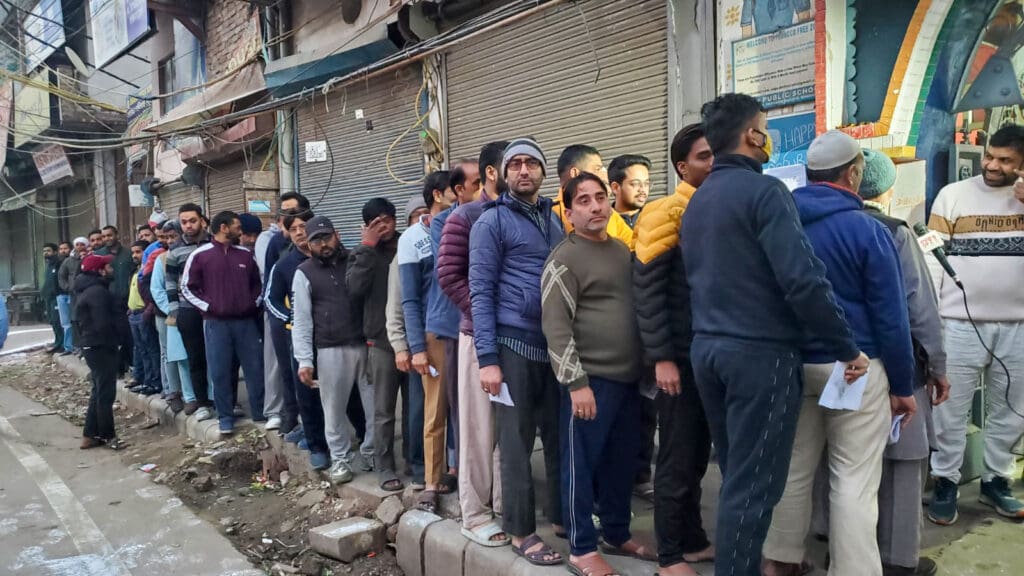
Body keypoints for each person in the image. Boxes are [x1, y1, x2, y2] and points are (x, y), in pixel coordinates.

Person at [680, 94, 868, 576]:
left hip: (709, 352)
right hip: (759, 355)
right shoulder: (766, 194)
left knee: (737, 480)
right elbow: (803, 279)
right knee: (755, 488)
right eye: (766, 129)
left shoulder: (700, 200)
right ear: (752, 136)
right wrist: (847, 347)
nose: (771, 139)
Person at [762, 131, 917, 576]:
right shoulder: (867, 229)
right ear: (853, 174)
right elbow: (892, 317)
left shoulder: (780, 225)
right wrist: (903, 387)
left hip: (793, 365)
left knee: (792, 470)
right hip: (857, 367)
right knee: (853, 480)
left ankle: (780, 562)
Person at [542, 171, 648, 575]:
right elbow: (556, 326)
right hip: (589, 383)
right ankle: (581, 546)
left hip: (626, 380)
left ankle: (617, 531)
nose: (595, 206)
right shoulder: (564, 259)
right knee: (579, 466)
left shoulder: (622, 251)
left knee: (621, 462)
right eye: (583, 201)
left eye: (599, 197)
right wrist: (576, 383)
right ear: (568, 213)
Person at [469, 138, 565, 565]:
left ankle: (562, 516)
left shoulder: (554, 219)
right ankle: (521, 531)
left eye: (531, 164)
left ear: (543, 173)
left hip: (555, 345)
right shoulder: (491, 223)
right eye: (516, 165)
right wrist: (487, 360)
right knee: (516, 442)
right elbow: (480, 292)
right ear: (503, 175)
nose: (523, 171)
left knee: (559, 438)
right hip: (512, 344)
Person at [856, 149, 949, 576]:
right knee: (905, 460)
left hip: (830, 366)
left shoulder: (805, 227)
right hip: (894, 364)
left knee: (840, 462)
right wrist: (937, 366)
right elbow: (919, 309)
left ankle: (839, 546)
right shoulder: (894, 232)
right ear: (886, 188)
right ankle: (897, 559)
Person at [928, 124, 1024, 523]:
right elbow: (932, 256)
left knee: (1014, 407)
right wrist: (930, 319)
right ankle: (945, 480)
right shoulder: (953, 196)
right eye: (989, 155)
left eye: (1005, 160)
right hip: (958, 322)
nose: (991, 165)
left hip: (1019, 325)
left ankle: (996, 480)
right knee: (950, 407)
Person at [633, 123, 715, 576]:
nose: (713, 162)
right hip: (678, 359)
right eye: (704, 156)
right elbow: (646, 292)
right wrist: (661, 357)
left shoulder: (713, 208)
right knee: (677, 457)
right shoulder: (665, 212)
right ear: (683, 166)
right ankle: (670, 556)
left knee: (698, 456)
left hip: (707, 355)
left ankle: (693, 539)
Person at [438, 140, 509, 545]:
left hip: (519, 338)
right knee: (478, 429)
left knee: (509, 430)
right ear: (491, 173)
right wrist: (487, 316)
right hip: (477, 336)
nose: (523, 172)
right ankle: (475, 513)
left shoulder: (530, 214)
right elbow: (449, 277)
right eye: (512, 164)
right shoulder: (464, 216)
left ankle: (503, 502)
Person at [292, 215, 373, 484]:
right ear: (309, 244)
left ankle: (372, 453)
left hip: (365, 344)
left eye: (326, 237)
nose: (323, 244)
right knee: (334, 409)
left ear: (336, 234)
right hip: (329, 350)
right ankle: (340, 459)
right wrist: (305, 360)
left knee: (375, 407)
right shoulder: (304, 273)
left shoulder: (354, 260)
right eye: (316, 240)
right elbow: (302, 321)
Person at [400, 170, 456, 513]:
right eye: (455, 189)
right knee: (435, 412)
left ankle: (461, 472)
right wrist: (416, 347)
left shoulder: (463, 225)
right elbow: (409, 299)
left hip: (465, 329)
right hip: (433, 335)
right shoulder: (412, 238)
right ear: (438, 194)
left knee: (466, 411)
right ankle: (432, 483)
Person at [182, 210, 266, 434]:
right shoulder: (201, 255)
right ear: (223, 227)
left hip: (246, 322)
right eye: (237, 226)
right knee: (220, 371)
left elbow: (259, 285)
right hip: (216, 324)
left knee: (255, 368)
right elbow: (187, 288)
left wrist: (253, 303)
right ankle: (225, 417)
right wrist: (209, 307)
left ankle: (260, 412)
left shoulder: (246, 256)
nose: (241, 230)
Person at [347, 198, 407, 491]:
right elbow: (354, 289)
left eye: (386, 219)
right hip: (381, 342)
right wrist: (368, 248)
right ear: (367, 226)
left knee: (417, 409)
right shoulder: (361, 253)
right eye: (375, 222)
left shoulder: (407, 244)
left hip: (414, 339)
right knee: (383, 410)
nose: (383, 226)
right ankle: (385, 467)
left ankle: (416, 462)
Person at [430, 160, 481, 481]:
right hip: (457, 326)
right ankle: (464, 474)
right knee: (459, 408)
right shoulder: (444, 223)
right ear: (458, 190)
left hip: (492, 325)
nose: (485, 187)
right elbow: (452, 273)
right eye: (476, 183)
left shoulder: (498, 213)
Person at [267, 210, 328, 470]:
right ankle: (317, 445)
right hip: (302, 338)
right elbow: (271, 299)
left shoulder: (332, 257)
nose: (301, 232)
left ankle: (351, 437)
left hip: (333, 336)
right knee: (307, 393)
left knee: (341, 392)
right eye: (294, 229)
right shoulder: (284, 265)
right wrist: (293, 318)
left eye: (304, 226)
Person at [256, 193, 311, 434]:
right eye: (287, 214)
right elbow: (270, 285)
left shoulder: (320, 244)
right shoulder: (276, 245)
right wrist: (285, 316)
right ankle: (291, 416)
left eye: (295, 212)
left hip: (315, 320)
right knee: (287, 369)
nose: (295, 226)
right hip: (284, 318)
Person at [387, 196, 430, 488]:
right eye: (416, 215)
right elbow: (397, 304)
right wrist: (401, 345)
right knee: (417, 408)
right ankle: (417, 465)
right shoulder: (403, 253)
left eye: (426, 213)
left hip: (441, 340)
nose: (422, 219)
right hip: (417, 342)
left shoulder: (441, 244)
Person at [165, 203, 214, 420]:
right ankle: (202, 402)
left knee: (219, 357)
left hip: (215, 310)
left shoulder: (214, 244)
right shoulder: (174, 250)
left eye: (192, 221)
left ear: (202, 220)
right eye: (184, 222)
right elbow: (170, 283)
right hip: (188, 310)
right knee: (195, 358)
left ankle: (223, 400)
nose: (188, 225)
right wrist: (175, 312)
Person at [75, 254, 126, 450]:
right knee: (105, 393)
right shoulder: (97, 292)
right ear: (99, 270)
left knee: (98, 391)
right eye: (108, 266)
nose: (111, 269)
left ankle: (90, 434)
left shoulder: (89, 290)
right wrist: (117, 342)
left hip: (92, 346)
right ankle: (108, 435)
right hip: (101, 347)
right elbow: (103, 323)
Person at [149, 220, 193, 415]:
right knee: (170, 354)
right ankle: (174, 392)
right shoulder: (162, 259)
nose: (169, 241)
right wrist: (172, 310)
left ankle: (193, 393)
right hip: (168, 315)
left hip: (190, 312)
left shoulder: (192, 254)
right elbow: (157, 289)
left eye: (173, 236)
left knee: (190, 354)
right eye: (166, 238)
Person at [552, 144, 634, 246]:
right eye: (597, 169)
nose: (604, 176)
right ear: (575, 173)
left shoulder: (608, 212)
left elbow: (634, 247)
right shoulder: (550, 215)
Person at [97, 225, 134, 376]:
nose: (107, 239)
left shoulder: (128, 253)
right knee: (111, 337)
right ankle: (116, 368)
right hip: (107, 302)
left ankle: (129, 364)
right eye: (104, 236)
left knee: (127, 335)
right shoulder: (99, 255)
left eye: (109, 235)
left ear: (116, 235)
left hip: (126, 300)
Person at [127, 240, 162, 396]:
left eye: (138, 252)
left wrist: (148, 311)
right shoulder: (136, 272)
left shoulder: (149, 273)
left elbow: (152, 294)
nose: (135, 255)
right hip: (134, 314)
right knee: (141, 350)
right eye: (133, 252)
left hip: (144, 314)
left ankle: (155, 382)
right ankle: (145, 380)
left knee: (151, 349)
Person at [58, 237, 88, 354]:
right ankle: (77, 346)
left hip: (88, 294)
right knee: (74, 320)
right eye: (77, 244)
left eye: (82, 244)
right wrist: (68, 287)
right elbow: (61, 276)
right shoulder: (68, 261)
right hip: (74, 295)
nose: (80, 246)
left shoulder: (90, 257)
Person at [608, 154, 652, 228]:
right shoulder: (603, 224)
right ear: (615, 187)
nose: (643, 189)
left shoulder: (657, 219)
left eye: (646, 183)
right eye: (635, 183)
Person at [41, 243, 65, 354]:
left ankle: (61, 344)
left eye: (48, 250)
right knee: (52, 321)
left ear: (55, 252)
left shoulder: (59, 263)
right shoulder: (48, 265)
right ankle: (57, 341)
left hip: (57, 297)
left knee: (57, 321)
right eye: (44, 251)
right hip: (48, 297)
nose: (46, 253)